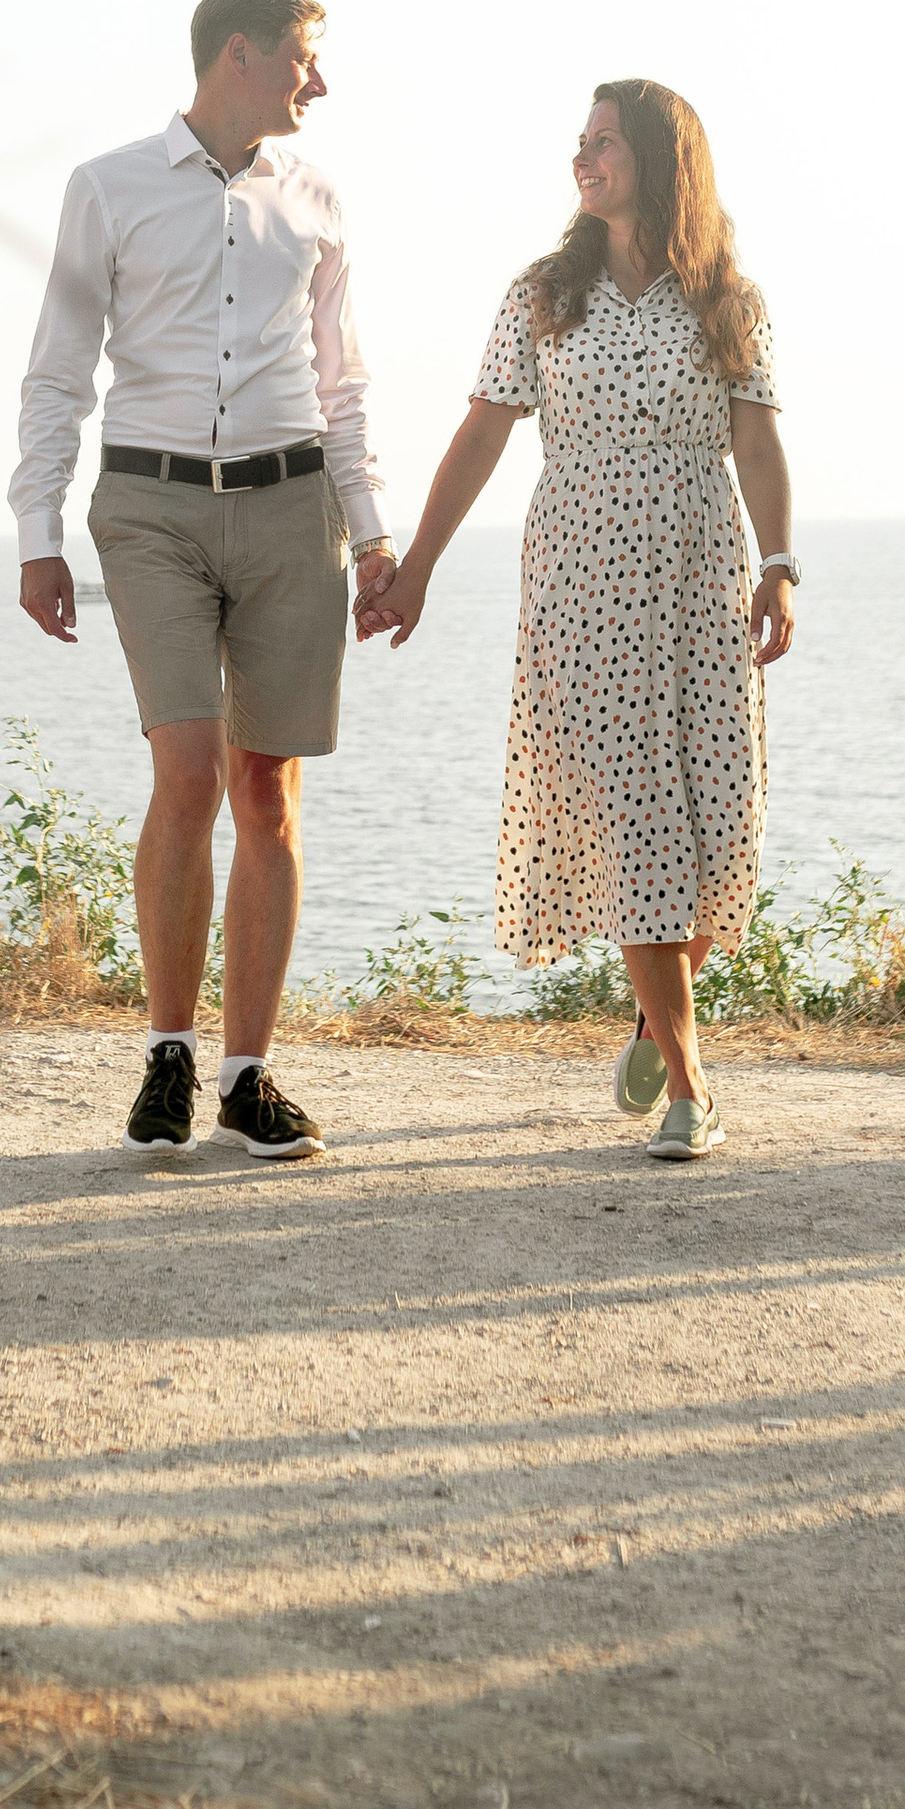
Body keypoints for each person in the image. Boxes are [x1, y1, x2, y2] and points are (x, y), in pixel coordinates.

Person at [360, 79, 795, 1160]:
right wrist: (412, 570)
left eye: (603, 142)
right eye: (579, 141)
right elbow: (478, 437)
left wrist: (780, 567)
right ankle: (692, 1086)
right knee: (637, 819)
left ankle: (655, 1011)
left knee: (720, 833)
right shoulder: (542, 294)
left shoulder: (728, 299)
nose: (582, 157)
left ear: (657, 159)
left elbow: (755, 442)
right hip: (581, 578)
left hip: (700, 575)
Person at [12, 0, 398, 1161]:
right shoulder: (108, 188)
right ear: (239, 54)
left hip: (292, 514)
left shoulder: (319, 199)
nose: (318, 82)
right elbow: (59, 367)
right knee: (188, 775)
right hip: (151, 511)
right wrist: (38, 532)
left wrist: (371, 529)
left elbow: (342, 385)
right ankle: (166, 1057)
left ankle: (245, 1075)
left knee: (267, 791)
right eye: (303, 58)